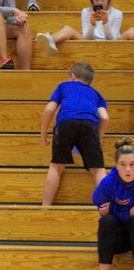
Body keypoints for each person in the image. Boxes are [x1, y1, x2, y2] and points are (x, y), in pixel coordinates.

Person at [41, 62, 109, 207]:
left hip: (65, 123)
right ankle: (107, 206)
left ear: (71, 76)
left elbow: (49, 109)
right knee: (98, 169)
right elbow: (104, 117)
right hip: (89, 125)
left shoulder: (63, 86)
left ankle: (45, 207)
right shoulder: (96, 94)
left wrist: (43, 134)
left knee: (56, 166)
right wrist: (98, 137)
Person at [83, 137, 134, 270]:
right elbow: (102, 208)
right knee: (106, 221)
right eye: (123, 164)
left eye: (132, 164)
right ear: (116, 166)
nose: (127, 169)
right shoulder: (108, 183)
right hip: (118, 240)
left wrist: (113, 208)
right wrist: (123, 211)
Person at [36, 0, 134, 53]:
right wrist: (92, 24)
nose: (99, 2)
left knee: (132, 31)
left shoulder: (117, 13)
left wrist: (105, 24)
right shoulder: (86, 12)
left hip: (113, 43)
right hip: (90, 41)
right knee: (67, 29)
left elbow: (112, 40)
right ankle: (51, 40)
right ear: (92, 0)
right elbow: (87, 38)